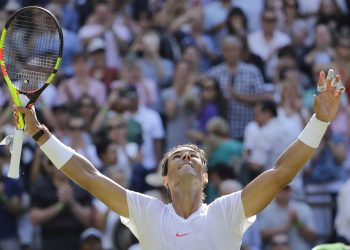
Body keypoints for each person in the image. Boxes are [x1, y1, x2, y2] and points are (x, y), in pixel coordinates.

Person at [13, 69, 344, 249]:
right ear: (166, 180)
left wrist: (320, 121)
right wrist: (40, 134)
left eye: (195, 157)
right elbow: (88, 176)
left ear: (205, 178)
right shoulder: (146, 212)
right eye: (178, 156)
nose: (188, 156)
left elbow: (281, 171)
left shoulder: (228, 211)